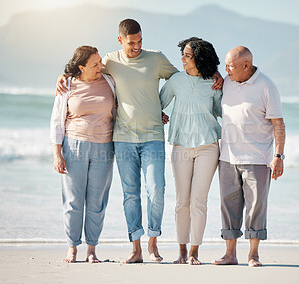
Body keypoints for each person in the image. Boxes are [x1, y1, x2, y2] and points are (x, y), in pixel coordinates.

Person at [56, 19, 223, 264]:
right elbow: (85, 69)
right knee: (130, 195)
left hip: (153, 136)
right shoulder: (110, 61)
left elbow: (187, 80)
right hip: (122, 138)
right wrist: (63, 75)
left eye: (140, 41)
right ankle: (136, 248)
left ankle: (153, 243)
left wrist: (214, 71)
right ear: (120, 40)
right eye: (132, 42)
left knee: (156, 191)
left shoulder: (156, 59)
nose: (137, 46)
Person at [213, 46, 286, 267]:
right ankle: (230, 254)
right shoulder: (226, 82)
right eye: (225, 66)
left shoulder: (266, 86)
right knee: (228, 207)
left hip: (257, 158)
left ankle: (253, 254)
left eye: (231, 66)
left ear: (246, 65)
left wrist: (279, 156)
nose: (226, 70)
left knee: (256, 207)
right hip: (227, 157)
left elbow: (278, 123)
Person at [50, 46, 116, 263]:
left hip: (104, 148)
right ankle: (72, 248)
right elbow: (57, 121)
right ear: (81, 67)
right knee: (73, 200)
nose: (100, 67)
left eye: (100, 62)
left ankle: (92, 249)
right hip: (74, 147)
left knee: (97, 202)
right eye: (95, 64)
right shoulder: (67, 84)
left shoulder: (109, 81)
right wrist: (57, 153)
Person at [160, 37, 222, 265]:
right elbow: (158, 102)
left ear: (200, 58)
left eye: (187, 55)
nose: (183, 59)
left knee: (198, 200)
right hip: (181, 146)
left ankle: (195, 251)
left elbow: (224, 111)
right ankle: (182, 251)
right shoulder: (176, 80)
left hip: (208, 146)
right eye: (183, 55)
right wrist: (160, 115)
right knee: (181, 201)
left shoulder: (213, 84)